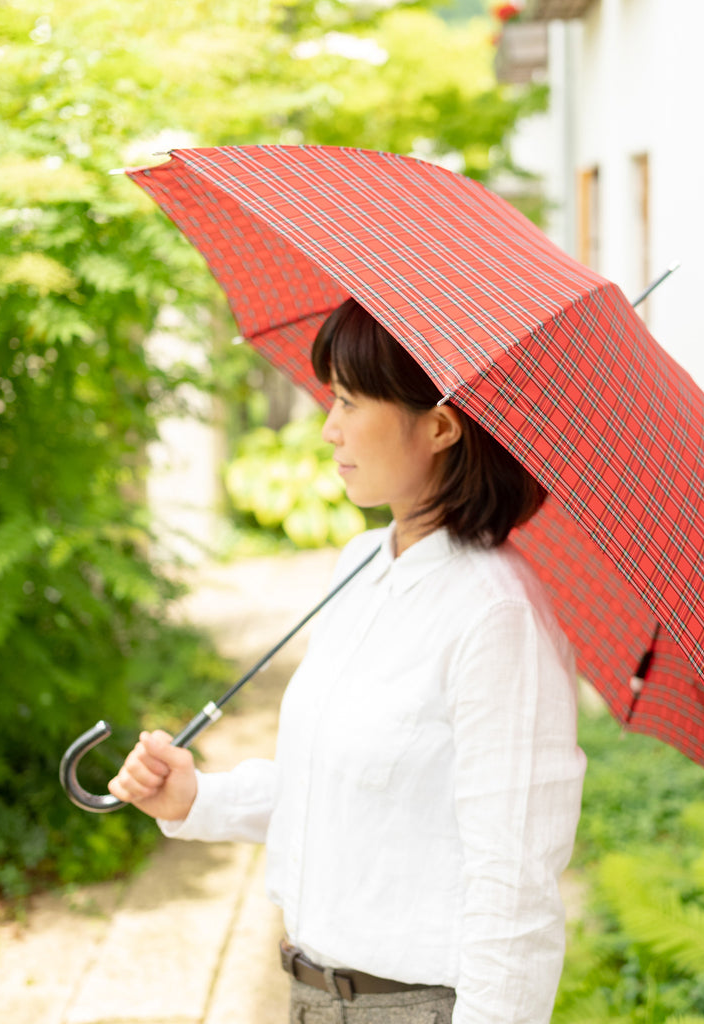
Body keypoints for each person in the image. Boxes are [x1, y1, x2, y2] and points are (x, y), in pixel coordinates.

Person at [109, 298, 587, 1024]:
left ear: (440, 423)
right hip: (310, 999)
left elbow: (514, 891)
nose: (328, 428)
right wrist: (198, 799)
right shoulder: (360, 563)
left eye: (349, 401)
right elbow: (342, 786)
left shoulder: (497, 616)